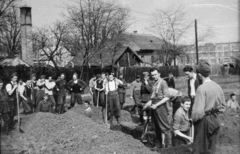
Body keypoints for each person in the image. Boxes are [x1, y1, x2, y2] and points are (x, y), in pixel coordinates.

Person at [192, 60, 226, 154]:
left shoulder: (201, 88)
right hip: (216, 119)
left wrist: (193, 120)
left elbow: (198, 112)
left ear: (199, 75)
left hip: (204, 121)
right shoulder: (217, 86)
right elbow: (223, 106)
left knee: (199, 150)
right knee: (211, 149)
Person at [143, 68, 172, 150]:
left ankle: (169, 146)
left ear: (159, 74)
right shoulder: (154, 83)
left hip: (161, 106)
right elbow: (153, 96)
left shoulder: (163, 83)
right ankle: (158, 145)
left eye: (155, 74)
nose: (154, 76)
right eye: (152, 75)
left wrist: (157, 105)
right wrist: (149, 104)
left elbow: (167, 97)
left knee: (165, 126)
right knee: (156, 127)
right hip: (154, 105)